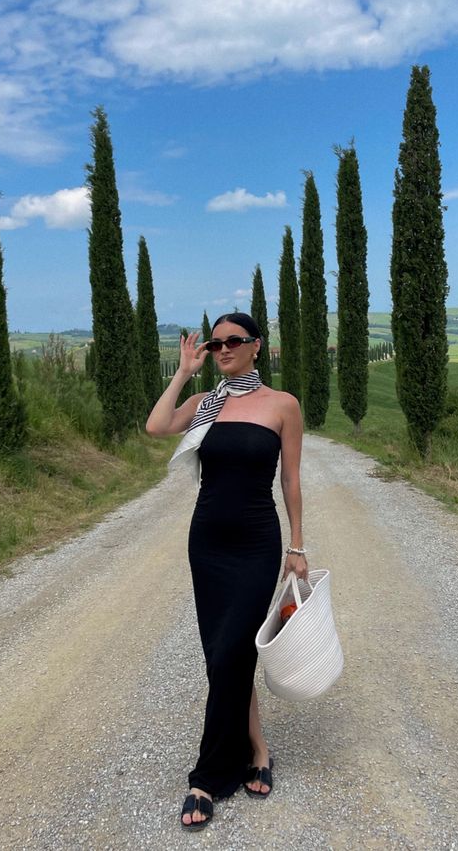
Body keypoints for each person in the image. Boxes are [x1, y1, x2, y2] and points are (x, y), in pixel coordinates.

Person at [146, 312, 306, 830]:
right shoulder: (204, 404)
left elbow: (291, 480)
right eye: (215, 343)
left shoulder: (283, 405)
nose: (223, 349)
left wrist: (298, 546)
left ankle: (209, 777)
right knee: (223, 655)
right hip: (207, 543)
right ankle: (258, 749)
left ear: (257, 346)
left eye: (233, 341)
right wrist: (183, 372)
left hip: (257, 543)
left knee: (234, 647)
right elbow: (155, 426)